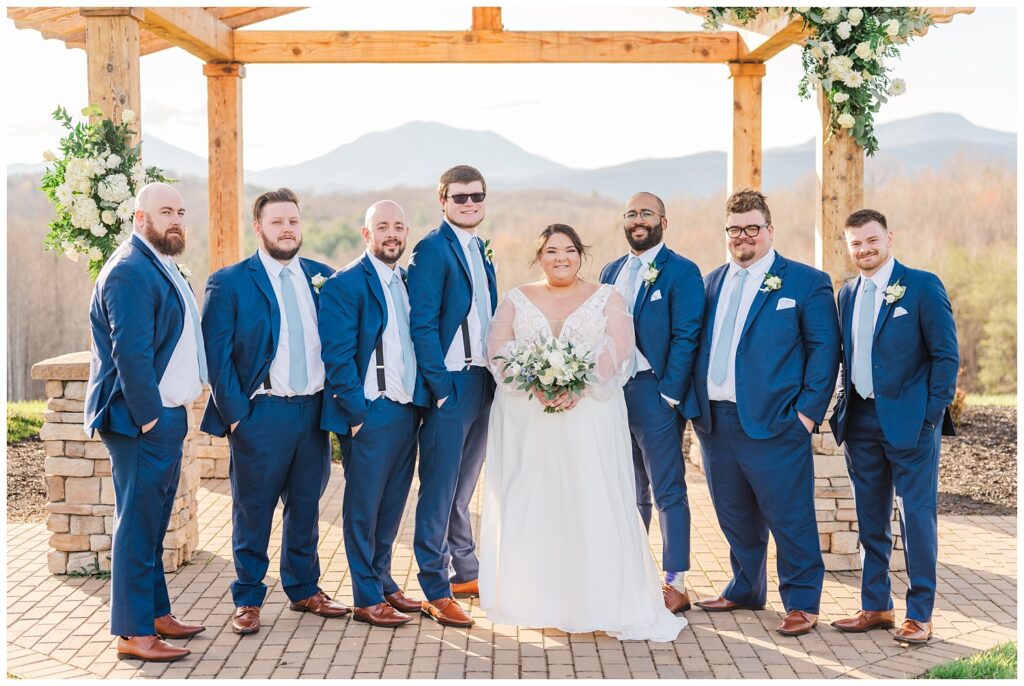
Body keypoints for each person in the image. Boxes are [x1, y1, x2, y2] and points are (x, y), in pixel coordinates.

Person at [479, 224, 687, 642]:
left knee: (590, 495)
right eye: (552, 250)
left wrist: (579, 385)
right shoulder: (516, 299)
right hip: (529, 418)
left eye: (569, 250)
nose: (561, 258)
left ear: (581, 254)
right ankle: (538, 597)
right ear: (540, 256)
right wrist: (535, 382)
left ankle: (598, 598)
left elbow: (619, 349)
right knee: (536, 497)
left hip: (589, 414)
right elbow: (498, 349)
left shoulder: (607, 297)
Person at [691, 189, 840, 637]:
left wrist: (808, 416)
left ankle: (801, 601)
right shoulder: (713, 280)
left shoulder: (805, 282)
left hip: (777, 422)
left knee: (789, 516)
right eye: (735, 230)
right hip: (717, 421)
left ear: (770, 230)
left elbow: (824, 352)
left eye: (752, 228)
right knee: (733, 514)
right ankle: (745, 588)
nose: (743, 237)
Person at [200, 188, 347, 636]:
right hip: (260, 416)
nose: (287, 229)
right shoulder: (230, 282)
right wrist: (237, 416)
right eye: (278, 221)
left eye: (293, 221)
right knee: (253, 510)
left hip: (313, 413)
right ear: (259, 227)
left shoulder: (323, 277)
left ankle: (304, 589)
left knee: (306, 507)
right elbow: (216, 357)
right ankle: (247, 597)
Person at [85, 182, 207, 662]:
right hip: (141, 424)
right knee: (136, 526)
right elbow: (130, 355)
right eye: (164, 212)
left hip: (165, 417)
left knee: (152, 525)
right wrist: (152, 419)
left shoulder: (163, 264)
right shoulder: (130, 271)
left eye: (180, 210)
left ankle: (156, 613)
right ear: (139, 219)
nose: (175, 219)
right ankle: (134, 634)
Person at [828, 209, 959, 644]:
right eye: (856, 244)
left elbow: (946, 357)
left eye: (871, 240)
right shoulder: (846, 293)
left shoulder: (922, 286)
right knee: (871, 520)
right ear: (849, 248)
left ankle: (919, 613)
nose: (864, 250)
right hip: (861, 420)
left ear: (889, 238)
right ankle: (876, 605)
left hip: (911, 423)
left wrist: (930, 416)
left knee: (916, 518)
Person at [318, 201, 426, 627]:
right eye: (382, 227)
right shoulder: (345, 284)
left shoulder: (407, 281)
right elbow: (337, 356)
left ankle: (382, 580)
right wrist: (357, 414)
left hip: (406, 410)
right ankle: (365, 596)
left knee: (393, 504)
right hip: (370, 412)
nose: (392, 234)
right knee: (363, 508)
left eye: (399, 226)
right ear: (367, 234)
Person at [599, 192, 704, 614]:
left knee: (667, 490)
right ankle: (631, 571)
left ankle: (674, 581)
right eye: (631, 214)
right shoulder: (611, 270)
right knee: (626, 488)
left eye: (646, 213)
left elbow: (687, 335)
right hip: (611, 395)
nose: (638, 220)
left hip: (653, 392)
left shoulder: (681, 271)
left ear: (664, 220)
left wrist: (668, 395)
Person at [408, 165, 497, 627]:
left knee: (464, 489)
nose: (468, 204)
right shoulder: (431, 249)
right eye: (459, 197)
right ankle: (434, 587)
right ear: (442, 200)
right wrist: (440, 387)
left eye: (475, 196)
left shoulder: (480, 249)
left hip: (484, 382)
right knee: (440, 490)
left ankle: (466, 571)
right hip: (452, 385)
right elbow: (421, 324)